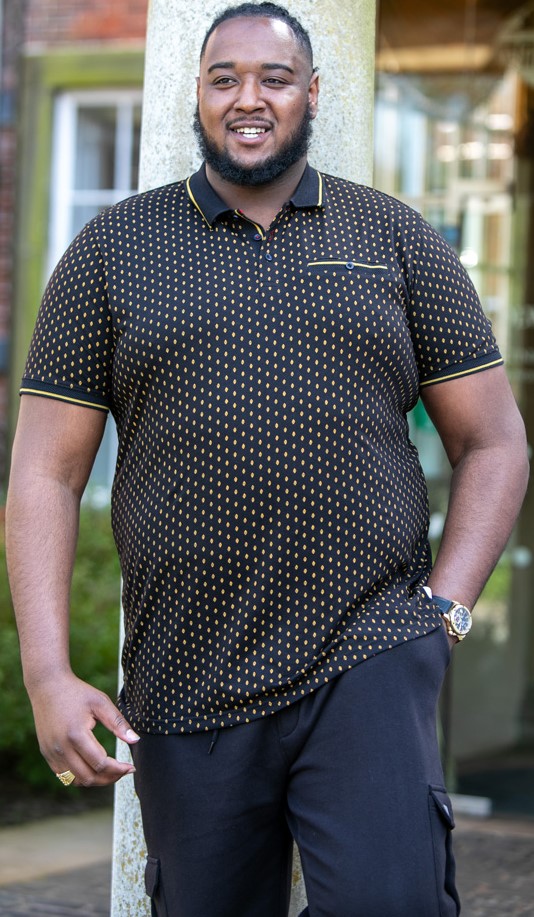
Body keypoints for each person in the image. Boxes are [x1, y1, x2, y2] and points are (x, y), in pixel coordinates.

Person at [6, 3, 529, 915]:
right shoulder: (110, 251)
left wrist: (442, 615)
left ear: (312, 94)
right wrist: (47, 672)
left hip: (367, 654)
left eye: (275, 79)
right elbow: (45, 474)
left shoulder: (394, 237)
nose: (248, 98)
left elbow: (495, 440)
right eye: (225, 79)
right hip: (185, 673)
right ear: (198, 94)